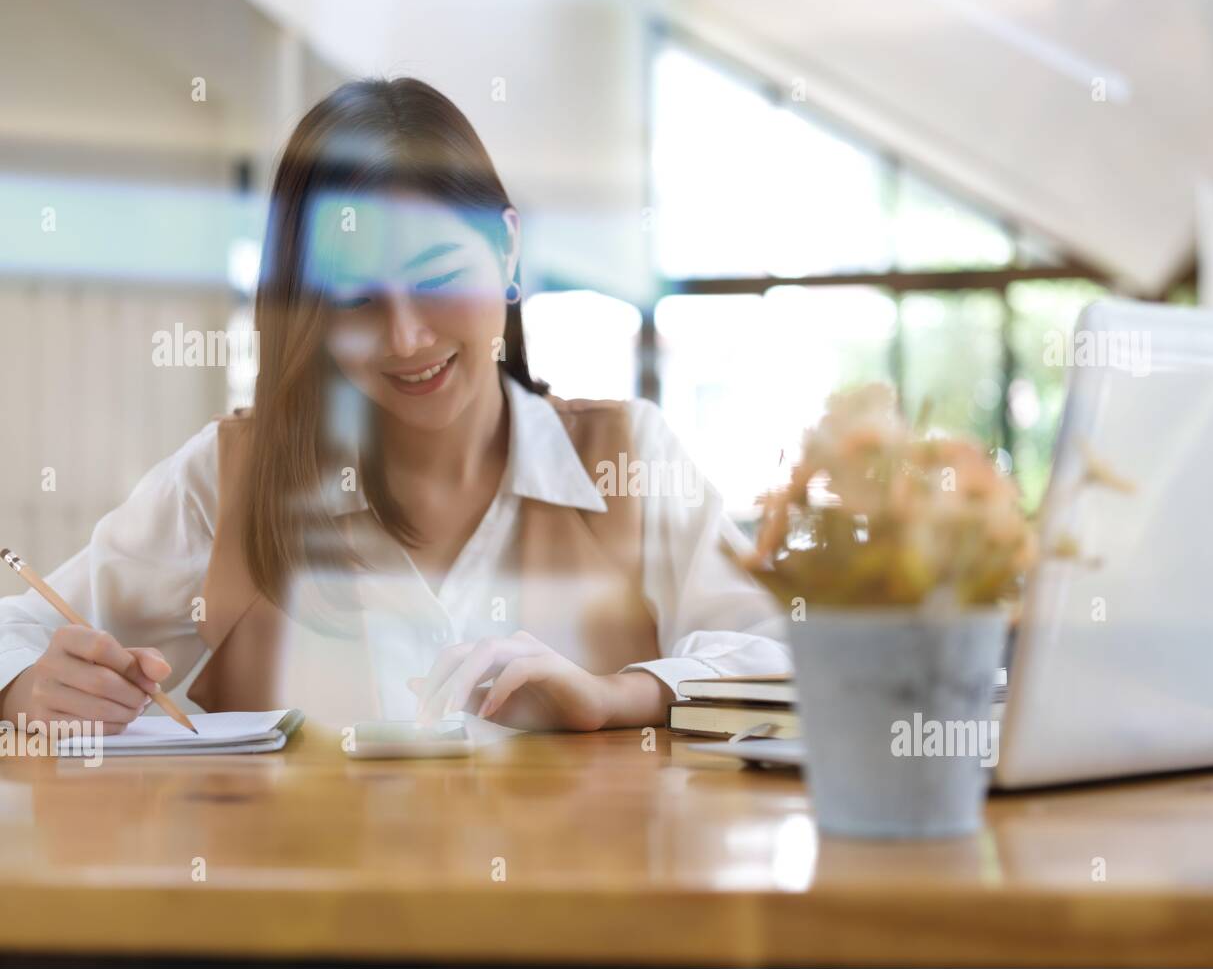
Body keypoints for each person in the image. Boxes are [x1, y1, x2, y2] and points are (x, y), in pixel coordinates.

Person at [0, 78, 788, 735]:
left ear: (508, 252)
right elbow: (22, 629)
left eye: (438, 275)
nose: (407, 337)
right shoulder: (229, 481)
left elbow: (778, 655)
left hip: (578, 918)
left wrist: (614, 695)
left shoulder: (628, 460)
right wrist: (28, 686)